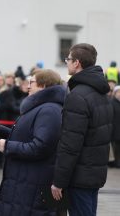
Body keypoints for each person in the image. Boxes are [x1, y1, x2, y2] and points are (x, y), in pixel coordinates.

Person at [0, 69, 67, 216]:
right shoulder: (43, 107)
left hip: (35, 182)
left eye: (32, 82)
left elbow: (41, 147)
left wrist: (8, 146)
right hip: (29, 180)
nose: (27, 86)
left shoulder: (49, 110)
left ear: (43, 86)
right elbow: (26, 136)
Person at [51, 43, 113, 216]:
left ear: (77, 63)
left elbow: (71, 143)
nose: (67, 62)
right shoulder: (101, 93)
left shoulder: (78, 96)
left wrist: (59, 181)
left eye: (68, 59)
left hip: (79, 176)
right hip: (93, 173)